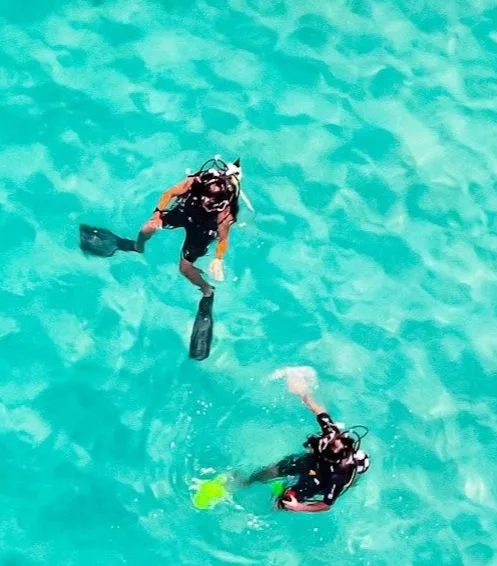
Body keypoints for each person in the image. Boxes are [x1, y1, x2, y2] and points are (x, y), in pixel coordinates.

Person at [135, 157, 240, 358]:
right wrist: (157, 213)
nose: (208, 203)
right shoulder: (194, 184)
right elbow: (169, 193)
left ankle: (208, 292)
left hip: (203, 229)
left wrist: (218, 258)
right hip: (186, 212)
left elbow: (223, 240)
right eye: (206, 198)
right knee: (147, 228)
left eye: (213, 202)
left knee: (184, 269)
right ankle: (137, 247)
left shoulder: (223, 214)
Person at [240, 368, 370, 512]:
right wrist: (303, 394)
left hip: (320, 480)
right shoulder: (332, 434)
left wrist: (299, 506)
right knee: (271, 471)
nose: (322, 440)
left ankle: (282, 496)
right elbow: (321, 412)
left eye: (322, 446)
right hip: (312, 463)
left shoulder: (338, 476)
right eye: (325, 439)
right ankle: (247, 482)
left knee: (283, 503)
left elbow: (326, 505)